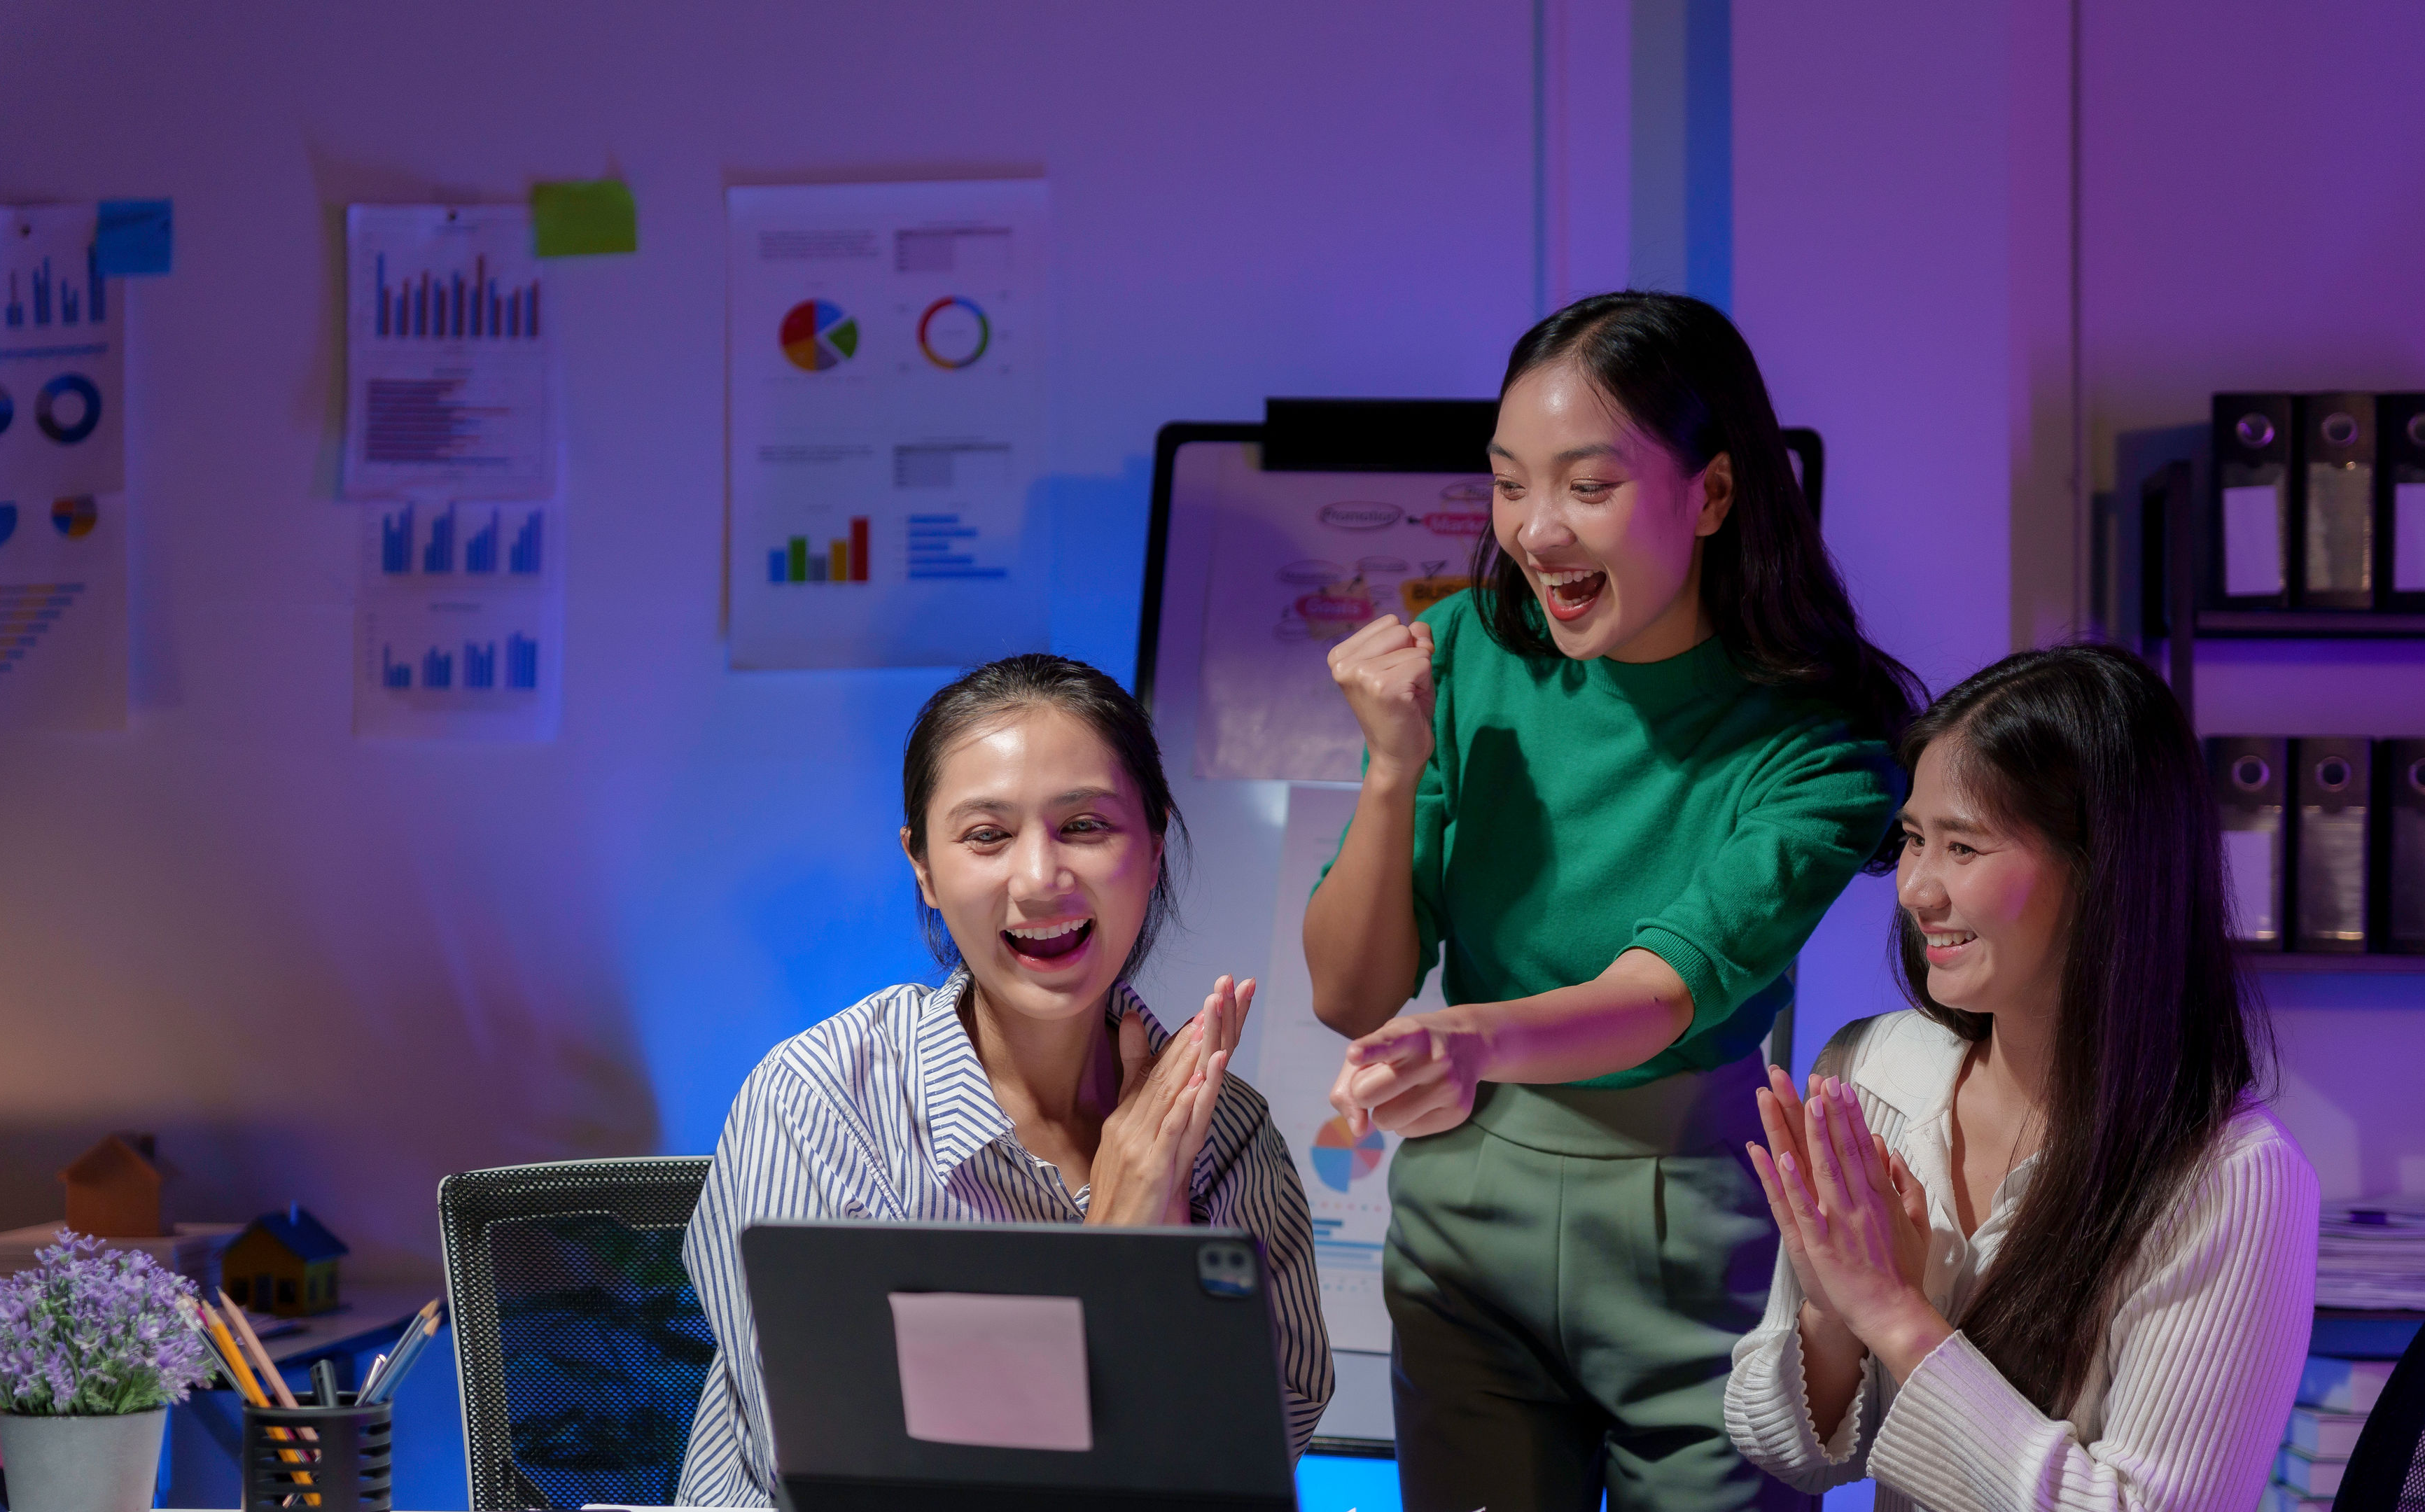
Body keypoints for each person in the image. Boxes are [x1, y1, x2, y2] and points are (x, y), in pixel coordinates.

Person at [1304, 290, 1919, 1512]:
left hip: (1700, 1236)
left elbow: (1660, 990)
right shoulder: (1469, 654)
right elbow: (1349, 991)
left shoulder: (1821, 744)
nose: (1536, 532)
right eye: (1507, 484)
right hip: (1461, 1218)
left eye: (1589, 487)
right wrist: (1390, 766)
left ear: (1715, 495)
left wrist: (1468, 1039)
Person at [676, 654, 1332, 1504]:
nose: (1039, 879)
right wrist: (1121, 1251)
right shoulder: (820, 1098)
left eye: (1086, 826)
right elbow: (851, 1477)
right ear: (923, 866)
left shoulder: (1227, 1133)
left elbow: (1228, 1476)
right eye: (986, 835)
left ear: (1157, 844)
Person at [1725, 644, 2319, 1512]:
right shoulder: (1867, 1073)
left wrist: (1895, 1316)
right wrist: (1828, 1314)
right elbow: (1784, 1449)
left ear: (2102, 870)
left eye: (1962, 846)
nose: (1916, 889)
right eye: (1913, 841)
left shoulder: (2230, 1176)